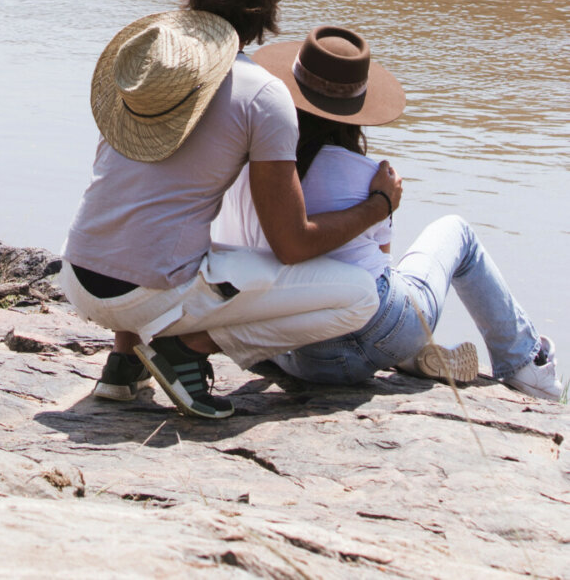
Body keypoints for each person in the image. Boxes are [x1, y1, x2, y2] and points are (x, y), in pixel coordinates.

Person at [61, 0, 403, 421]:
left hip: (79, 273)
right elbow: (292, 243)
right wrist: (379, 206)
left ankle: (122, 364)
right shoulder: (262, 94)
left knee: (154, 213)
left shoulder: (153, 68)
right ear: (266, 16)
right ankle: (188, 351)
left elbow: (133, 193)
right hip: (147, 294)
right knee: (359, 296)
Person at [214, 25, 562, 401]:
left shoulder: (249, 168)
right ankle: (524, 364)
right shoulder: (370, 178)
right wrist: (381, 204)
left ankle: (409, 356)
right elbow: (382, 266)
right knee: (456, 232)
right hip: (374, 330)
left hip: (297, 354)